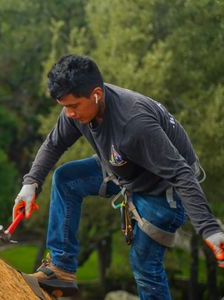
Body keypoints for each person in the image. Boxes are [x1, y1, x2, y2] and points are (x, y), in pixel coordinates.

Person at [13, 54, 224, 299]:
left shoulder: (134, 123)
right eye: (64, 107)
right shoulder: (80, 110)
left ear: (96, 94)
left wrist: (210, 229)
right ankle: (60, 272)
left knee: (145, 265)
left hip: (165, 189)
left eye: (73, 106)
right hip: (124, 167)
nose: (69, 114)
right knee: (67, 179)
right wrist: (31, 184)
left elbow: (181, 174)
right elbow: (53, 145)